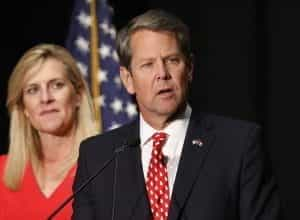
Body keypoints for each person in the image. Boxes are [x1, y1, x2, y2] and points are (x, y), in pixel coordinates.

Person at [72, 9, 281, 220]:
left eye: (172, 60)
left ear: (189, 69)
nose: (162, 74)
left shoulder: (239, 145)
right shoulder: (98, 157)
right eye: (148, 64)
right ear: (128, 79)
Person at [0, 44, 97, 219]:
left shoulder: (106, 170)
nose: (45, 98)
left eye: (57, 85)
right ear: (23, 107)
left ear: (78, 96)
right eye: (33, 90)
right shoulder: (2, 172)